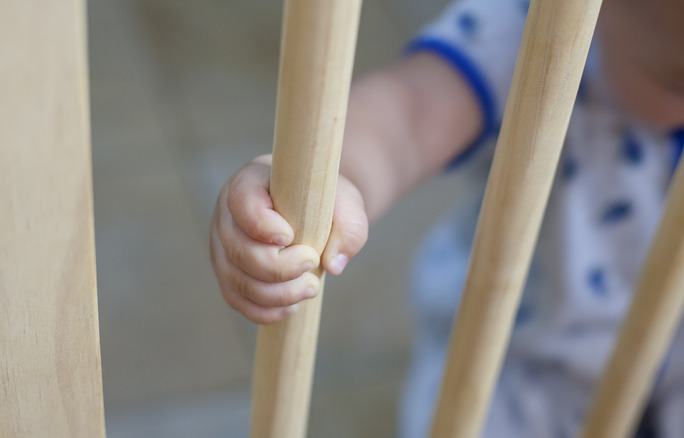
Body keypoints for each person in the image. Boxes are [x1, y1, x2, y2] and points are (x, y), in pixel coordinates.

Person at [209, 0, 684, 436]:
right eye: (675, 82)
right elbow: (407, 114)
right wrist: (323, 180)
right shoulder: (538, 29)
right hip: (510, 385)